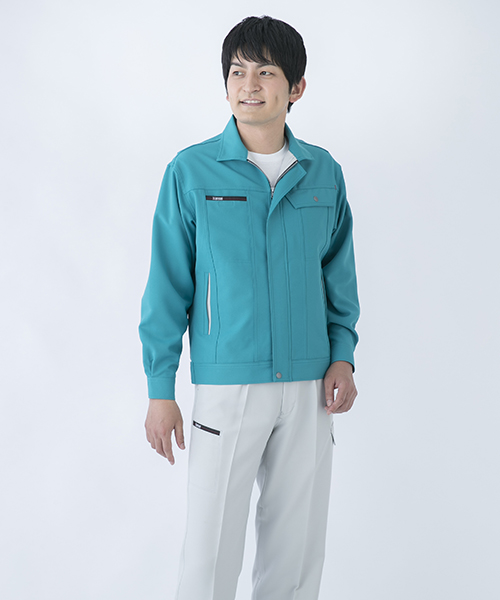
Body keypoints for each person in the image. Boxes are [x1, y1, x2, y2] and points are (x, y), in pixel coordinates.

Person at [139, 15, 360, 600]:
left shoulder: (323, 173)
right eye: (237, 72)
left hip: (309, 387)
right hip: (227, 388)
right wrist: (161, 388)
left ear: (297, 87)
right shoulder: (191, 172)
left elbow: (339, 278)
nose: (249, 85)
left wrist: (343, 356)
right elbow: (166, 287)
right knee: (209, 556)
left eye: (266, 72)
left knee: (296, 555)